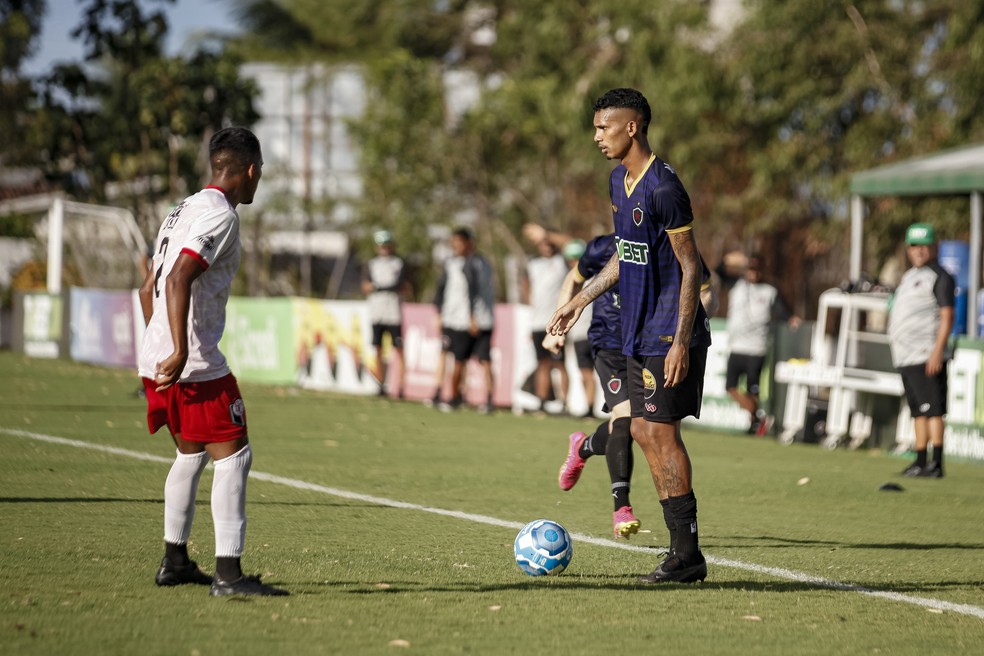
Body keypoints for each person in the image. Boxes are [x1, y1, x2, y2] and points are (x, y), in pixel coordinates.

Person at [548, 88, 712, 584]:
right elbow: (625, 256)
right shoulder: (619, 181)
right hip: (635, 332)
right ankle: (683, 552)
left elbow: (690, 268)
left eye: (604, 127)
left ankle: (686, 555)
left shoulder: (664, 187)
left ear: (632, 127)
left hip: (668, 333)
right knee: (641, 430)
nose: (597, 136)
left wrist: (681, 339)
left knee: (660, 432)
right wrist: (580, 300)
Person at [137, 127, 288, 597]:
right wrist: (181, 351)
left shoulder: (181, 209)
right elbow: (180, 278)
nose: (259, 181)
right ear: (249, 170)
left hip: (156, 356)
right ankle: (229, 575)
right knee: (235, 453)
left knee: (191, 452)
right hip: (193, 360)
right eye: (260, 172)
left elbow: (149, 288)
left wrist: (160, 345)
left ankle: (175, 561)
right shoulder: (220, 216)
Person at [546, 232, 641, 539]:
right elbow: (572, 281)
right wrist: (558, 327)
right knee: (625, 420)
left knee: (640, 426)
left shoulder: (663, 241)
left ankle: (582, 447)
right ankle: (621, 508)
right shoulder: (601, 247)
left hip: (646, 346)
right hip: (609, 345)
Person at [888, 222, 955, 478]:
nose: (918, 251)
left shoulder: (940, 276)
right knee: (918, 411)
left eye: (923, 245)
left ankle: (936, 463)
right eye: (914, 245)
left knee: (934, 409)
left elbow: (947, 315)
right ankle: (919, 460)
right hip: (906, 355)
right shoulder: (908, 276)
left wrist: (937, 351)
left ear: (933, 247)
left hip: (926, 354)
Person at [720, 252, 799, 435]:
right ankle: (758, 417)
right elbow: (718, 271)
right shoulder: (737, 285)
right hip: (737, 345)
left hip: (757, 348)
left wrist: (791, 319)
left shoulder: (769, 290)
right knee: (730, 387)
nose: (753, 273)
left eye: (757, 269)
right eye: (750, 269)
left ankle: (753, 424)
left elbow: (782, 310)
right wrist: (732, 259)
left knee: (752, 390)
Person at [433, 226, 496, 413]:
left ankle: (455, 398)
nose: (456, 245)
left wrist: (471, 317)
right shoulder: (477, 262)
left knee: (464, 360)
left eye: (459, 242)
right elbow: (440, 290)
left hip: (469, 320)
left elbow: (472, 290)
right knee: (463, 358)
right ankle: (457, 396)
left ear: (469, 243)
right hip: (461, 318)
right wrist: (439, 313)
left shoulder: (471, 263)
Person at [522, 234, 571, 413]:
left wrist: (547, 234)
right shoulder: (532, 264)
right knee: (542, 363)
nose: (548, 246)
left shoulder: (561, 261)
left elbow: (571, 244)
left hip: (557, 322)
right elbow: (525, 284)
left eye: (550, 243)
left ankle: (564, 403)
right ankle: (542, 402)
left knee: (559, 364)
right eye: (544, 243)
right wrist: (530, 302)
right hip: (537, 322)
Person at [362, 229, 410, 397]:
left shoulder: (399, 263)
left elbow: (401, 286)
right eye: (382, 246)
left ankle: (402, 387)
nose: (385, 249)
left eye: (387, 245)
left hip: (393, 313)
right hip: (377, 312)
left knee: (399, 350)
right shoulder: (372, 264)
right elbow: (366, 286)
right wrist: (379, 287)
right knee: (378, 349)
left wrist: (378, 287)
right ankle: (381, 385)